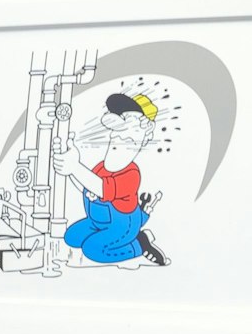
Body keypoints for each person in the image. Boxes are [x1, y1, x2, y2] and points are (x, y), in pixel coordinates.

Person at [55, 92, 168, 267]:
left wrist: (75, 167)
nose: (117, 138)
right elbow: (86, 185)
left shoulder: (131, 174)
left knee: (93, 249)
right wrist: (68, 167)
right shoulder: (102, 167)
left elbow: (101, 188)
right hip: (96, 222)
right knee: (71, 237)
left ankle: (139, 244)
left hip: (123, 226)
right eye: (115, 137)